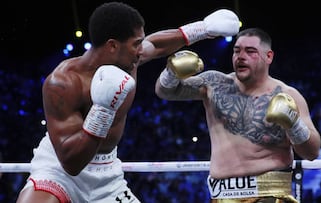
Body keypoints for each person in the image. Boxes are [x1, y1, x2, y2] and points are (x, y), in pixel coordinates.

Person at [15, 2, 240, 203]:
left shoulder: (128, 60)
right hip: (60, 170)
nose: (141, 50)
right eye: (136, 44)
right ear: (113, 46)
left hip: (107, 174)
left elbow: (157, 45)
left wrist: (204, 28)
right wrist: (102, 110)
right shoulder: (63, 82)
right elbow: (71, 164)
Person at [155, 27, 321, 202]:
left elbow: (312, 152)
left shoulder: (288, 95)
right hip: (222, 196)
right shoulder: (215, 84)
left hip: (270, 195)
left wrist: (294, 124)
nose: (241, 56)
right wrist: (171, 72)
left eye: (250, 51)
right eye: (236, 51)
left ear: (269, 56)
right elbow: (165, 91)